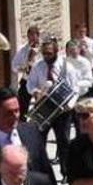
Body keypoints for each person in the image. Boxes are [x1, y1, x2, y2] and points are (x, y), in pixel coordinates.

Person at [0, 88, 56, 184]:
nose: (15, 116)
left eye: (17, 111)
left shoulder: (31, 132)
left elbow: (46, 173)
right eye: (8, 113)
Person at [25, 37, 72, 169]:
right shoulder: (38, 66)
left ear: (56, 51)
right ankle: (41, 168)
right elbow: (30, 84)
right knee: (39, 140)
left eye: (49, 53)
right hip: (43, 107)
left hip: (62, 108)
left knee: (64, 140)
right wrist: (35, 92)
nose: (46, 56)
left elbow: (72, 85)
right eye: (44, 53)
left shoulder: (65, 64)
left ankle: (66, 170)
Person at [12, 26, 43, 119]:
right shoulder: (23, 49)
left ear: (38, 36)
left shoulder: (44, 49)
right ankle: (22, 124)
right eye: (30, 36)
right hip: (27, 79)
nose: (32, 39)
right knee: (22, 106)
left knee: (42, 106)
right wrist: (22, 68)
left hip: (40, 81)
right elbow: (14, 66)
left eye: (34, 36)